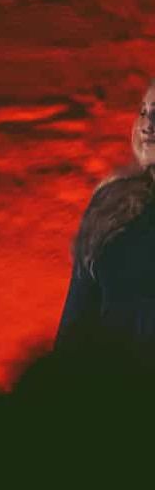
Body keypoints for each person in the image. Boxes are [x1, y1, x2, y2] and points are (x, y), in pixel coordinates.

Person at [56, 79, 155, 358]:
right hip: (111, 389)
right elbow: (79, 308)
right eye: (143, 112)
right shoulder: (112, 201)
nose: (148, 125)